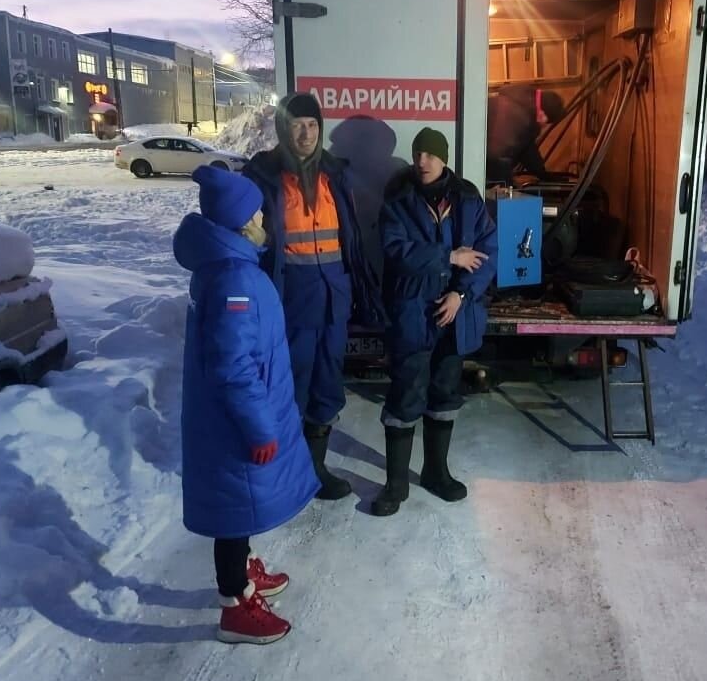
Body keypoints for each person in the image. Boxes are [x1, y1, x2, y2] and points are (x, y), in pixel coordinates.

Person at [173, 165, 320, 644]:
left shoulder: (226, 265)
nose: (264, 219)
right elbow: (234, 367)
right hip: (236, 423)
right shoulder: (235, 279)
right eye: (257, 213)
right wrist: (260, 428)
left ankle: (243, 571)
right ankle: (235, 603)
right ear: (241, 223)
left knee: (239, 504)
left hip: (227, 419)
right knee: (234, 507)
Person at [243, 93, 383, 500]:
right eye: (297, 124)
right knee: (291, 386)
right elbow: (246, 232)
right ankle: (285, 473)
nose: (305, 133)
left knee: (327, 384)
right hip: (292, 298)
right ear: (284, 129)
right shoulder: (263, 176)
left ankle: (315, 468)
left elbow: (349, 237)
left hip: (333, 296)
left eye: (312, 125)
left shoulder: (334, 175)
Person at [373, 127, 498, 517]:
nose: (422, 161)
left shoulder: (468, 199)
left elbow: (487, 252)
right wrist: (448, 256)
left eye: (430, 154)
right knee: (406, 392)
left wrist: (462, 295)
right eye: (418, 154)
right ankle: (395, 484)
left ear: (444, 158)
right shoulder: (397, 199)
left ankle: (435, 472)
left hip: (455, 315)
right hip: (413, 312)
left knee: (445, 392)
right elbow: (396, 251)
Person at [486, 85, 567, 184]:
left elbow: (528, 152)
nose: (544, 125)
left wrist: (544, 175)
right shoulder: (516, 114)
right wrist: (508, 185)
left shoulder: (524, 110)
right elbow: (496, 156)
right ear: (543, 114)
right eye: (547, 122)